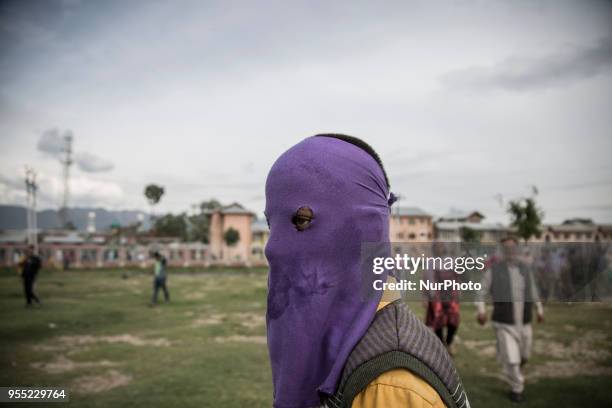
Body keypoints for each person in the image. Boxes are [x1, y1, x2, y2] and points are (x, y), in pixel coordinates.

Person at [265, 134, 469, 408]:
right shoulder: (342, 340)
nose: (273, 248)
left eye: (301, 221)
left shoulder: (390, 387)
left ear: (363, 227)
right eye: (271, 225)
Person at [476, 236, 544, 403]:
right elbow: (481, 291)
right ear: (502, 251)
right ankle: (517, 389)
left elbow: (533, 290)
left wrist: (539, 309)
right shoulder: (494, 270)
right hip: (504, 322)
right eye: (506, 248)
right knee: (513, 359)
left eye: (513, 248)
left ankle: (514, 373)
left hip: (524, 321)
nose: (510, 251)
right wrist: (481, 310)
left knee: (524, 356)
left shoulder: (526, 269)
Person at [424, 241, 461, 355]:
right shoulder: (431, 262)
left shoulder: (452, 260)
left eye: (441, 246)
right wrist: (429, 294)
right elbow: (428, 279)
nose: (440, 248)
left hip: (451, 294)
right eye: (437, 247)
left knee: (453, 319)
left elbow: (457, 276)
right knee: (438, 319)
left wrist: (459, 289)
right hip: (437, 295)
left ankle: (449, 341)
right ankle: (441, 345)